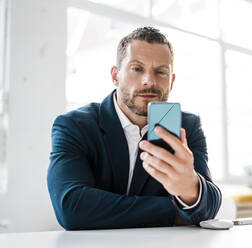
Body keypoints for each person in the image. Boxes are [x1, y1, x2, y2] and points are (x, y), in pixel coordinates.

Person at [47, 27, 222, 230]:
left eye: (161, 71)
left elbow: (209, 206)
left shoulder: (187, 127)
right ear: (115, 76)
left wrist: (191, 189)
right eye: (137, 69)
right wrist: (175, 210)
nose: (149, 80)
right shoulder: (74, 126)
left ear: (171, 81)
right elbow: (72, 207)